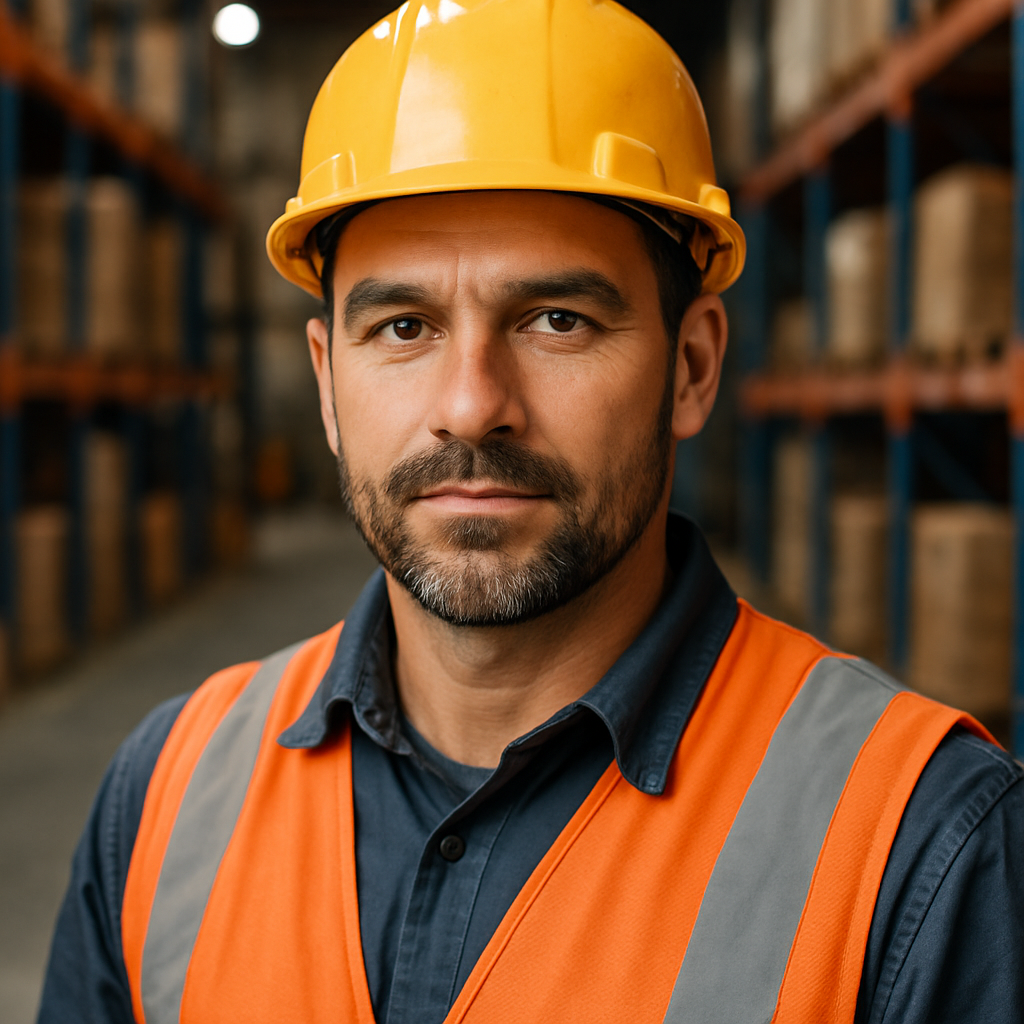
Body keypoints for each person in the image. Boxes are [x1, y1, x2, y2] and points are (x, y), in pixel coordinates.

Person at [38, 1, 1024, 1022]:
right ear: (327, 385)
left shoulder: (919, 843)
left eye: (557, 320)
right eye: (404, 325)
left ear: (692, 366)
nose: (471, 403)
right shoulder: (164, 798)